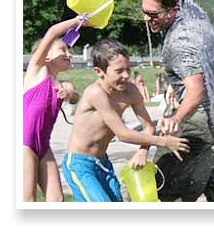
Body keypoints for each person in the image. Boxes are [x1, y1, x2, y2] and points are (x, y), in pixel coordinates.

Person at [61, 38, 189, 202]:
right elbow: (122, 134)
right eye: (119, 71)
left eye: (128, 69)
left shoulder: (131, 91)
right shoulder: (95, 93)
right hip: (80, 165)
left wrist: (143, 151)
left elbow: (148, 126)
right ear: (99, 72)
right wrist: (163, 141)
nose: (126, 75)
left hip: (103, 163)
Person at [141, 0, 214, 202]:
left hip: (198, 120)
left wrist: (176, 118)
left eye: (152, 14)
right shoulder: (196, 17)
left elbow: (197, 90)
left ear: (174, 11)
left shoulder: (178, 42)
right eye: (144, 12)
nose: (146, 19)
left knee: (165, 188)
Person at [23, 17, 83, 201]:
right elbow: (52, 33)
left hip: (43, 145)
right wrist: (77, 20)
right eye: (63, 49)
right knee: (27, 198)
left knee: (57, 199)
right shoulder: (37, 71)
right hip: (24, 143)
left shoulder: (64, 84)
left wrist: (69, 94)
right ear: (46, 56)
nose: (69, 54)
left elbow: (75, 97)